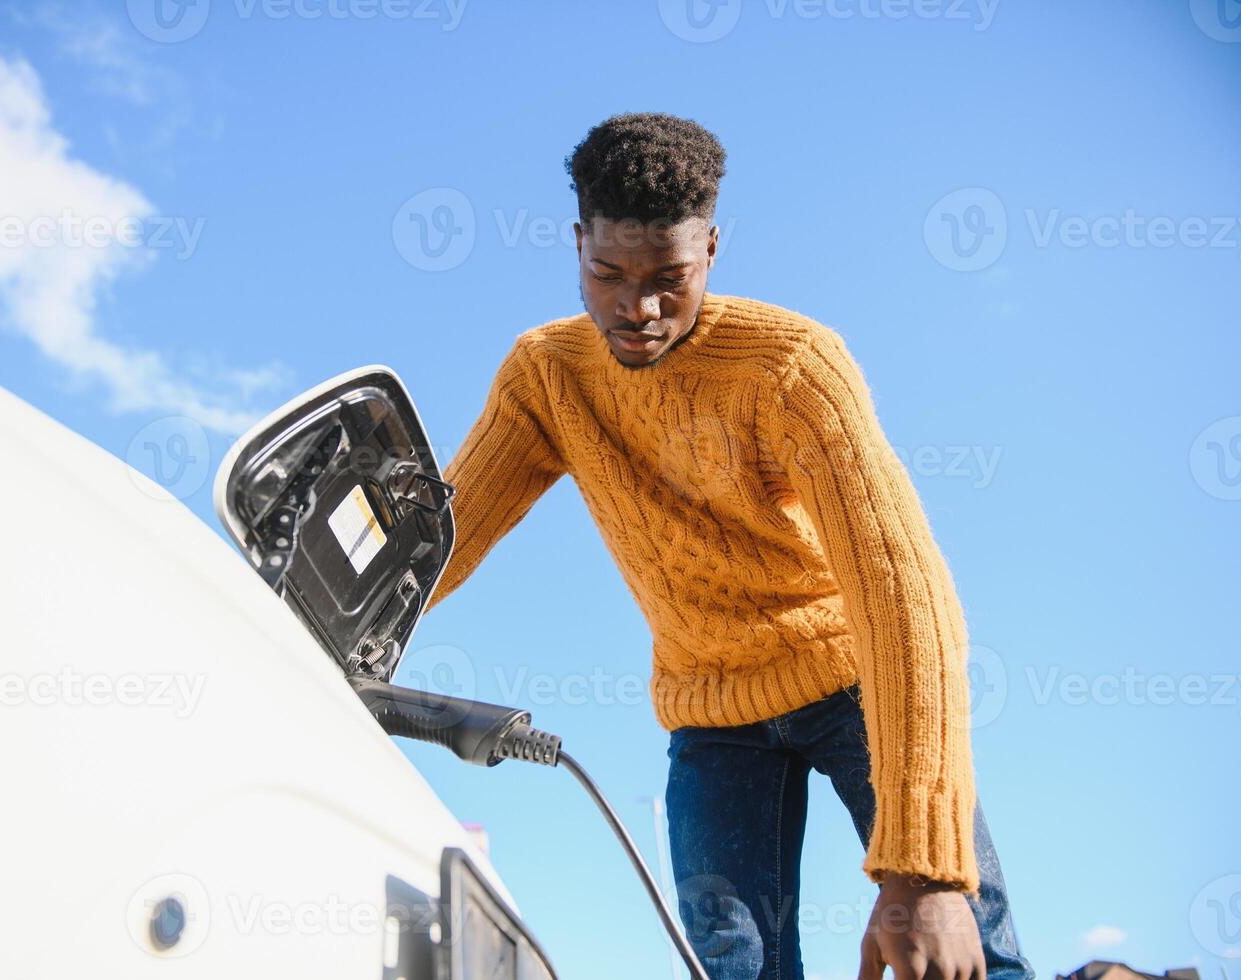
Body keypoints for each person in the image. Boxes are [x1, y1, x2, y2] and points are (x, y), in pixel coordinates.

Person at [421, 111, 1035, 980]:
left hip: (851, 680)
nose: (637, 309)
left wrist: (924, 871)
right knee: (733, 967)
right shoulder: (547, 375)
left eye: (669, 277)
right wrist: (303, 625)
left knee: (961, 946)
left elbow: (904, 590)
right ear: (575, 247)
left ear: (710, 247)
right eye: (607, 274)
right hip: (711, 714)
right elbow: (438, 540)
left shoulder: (790, 367)